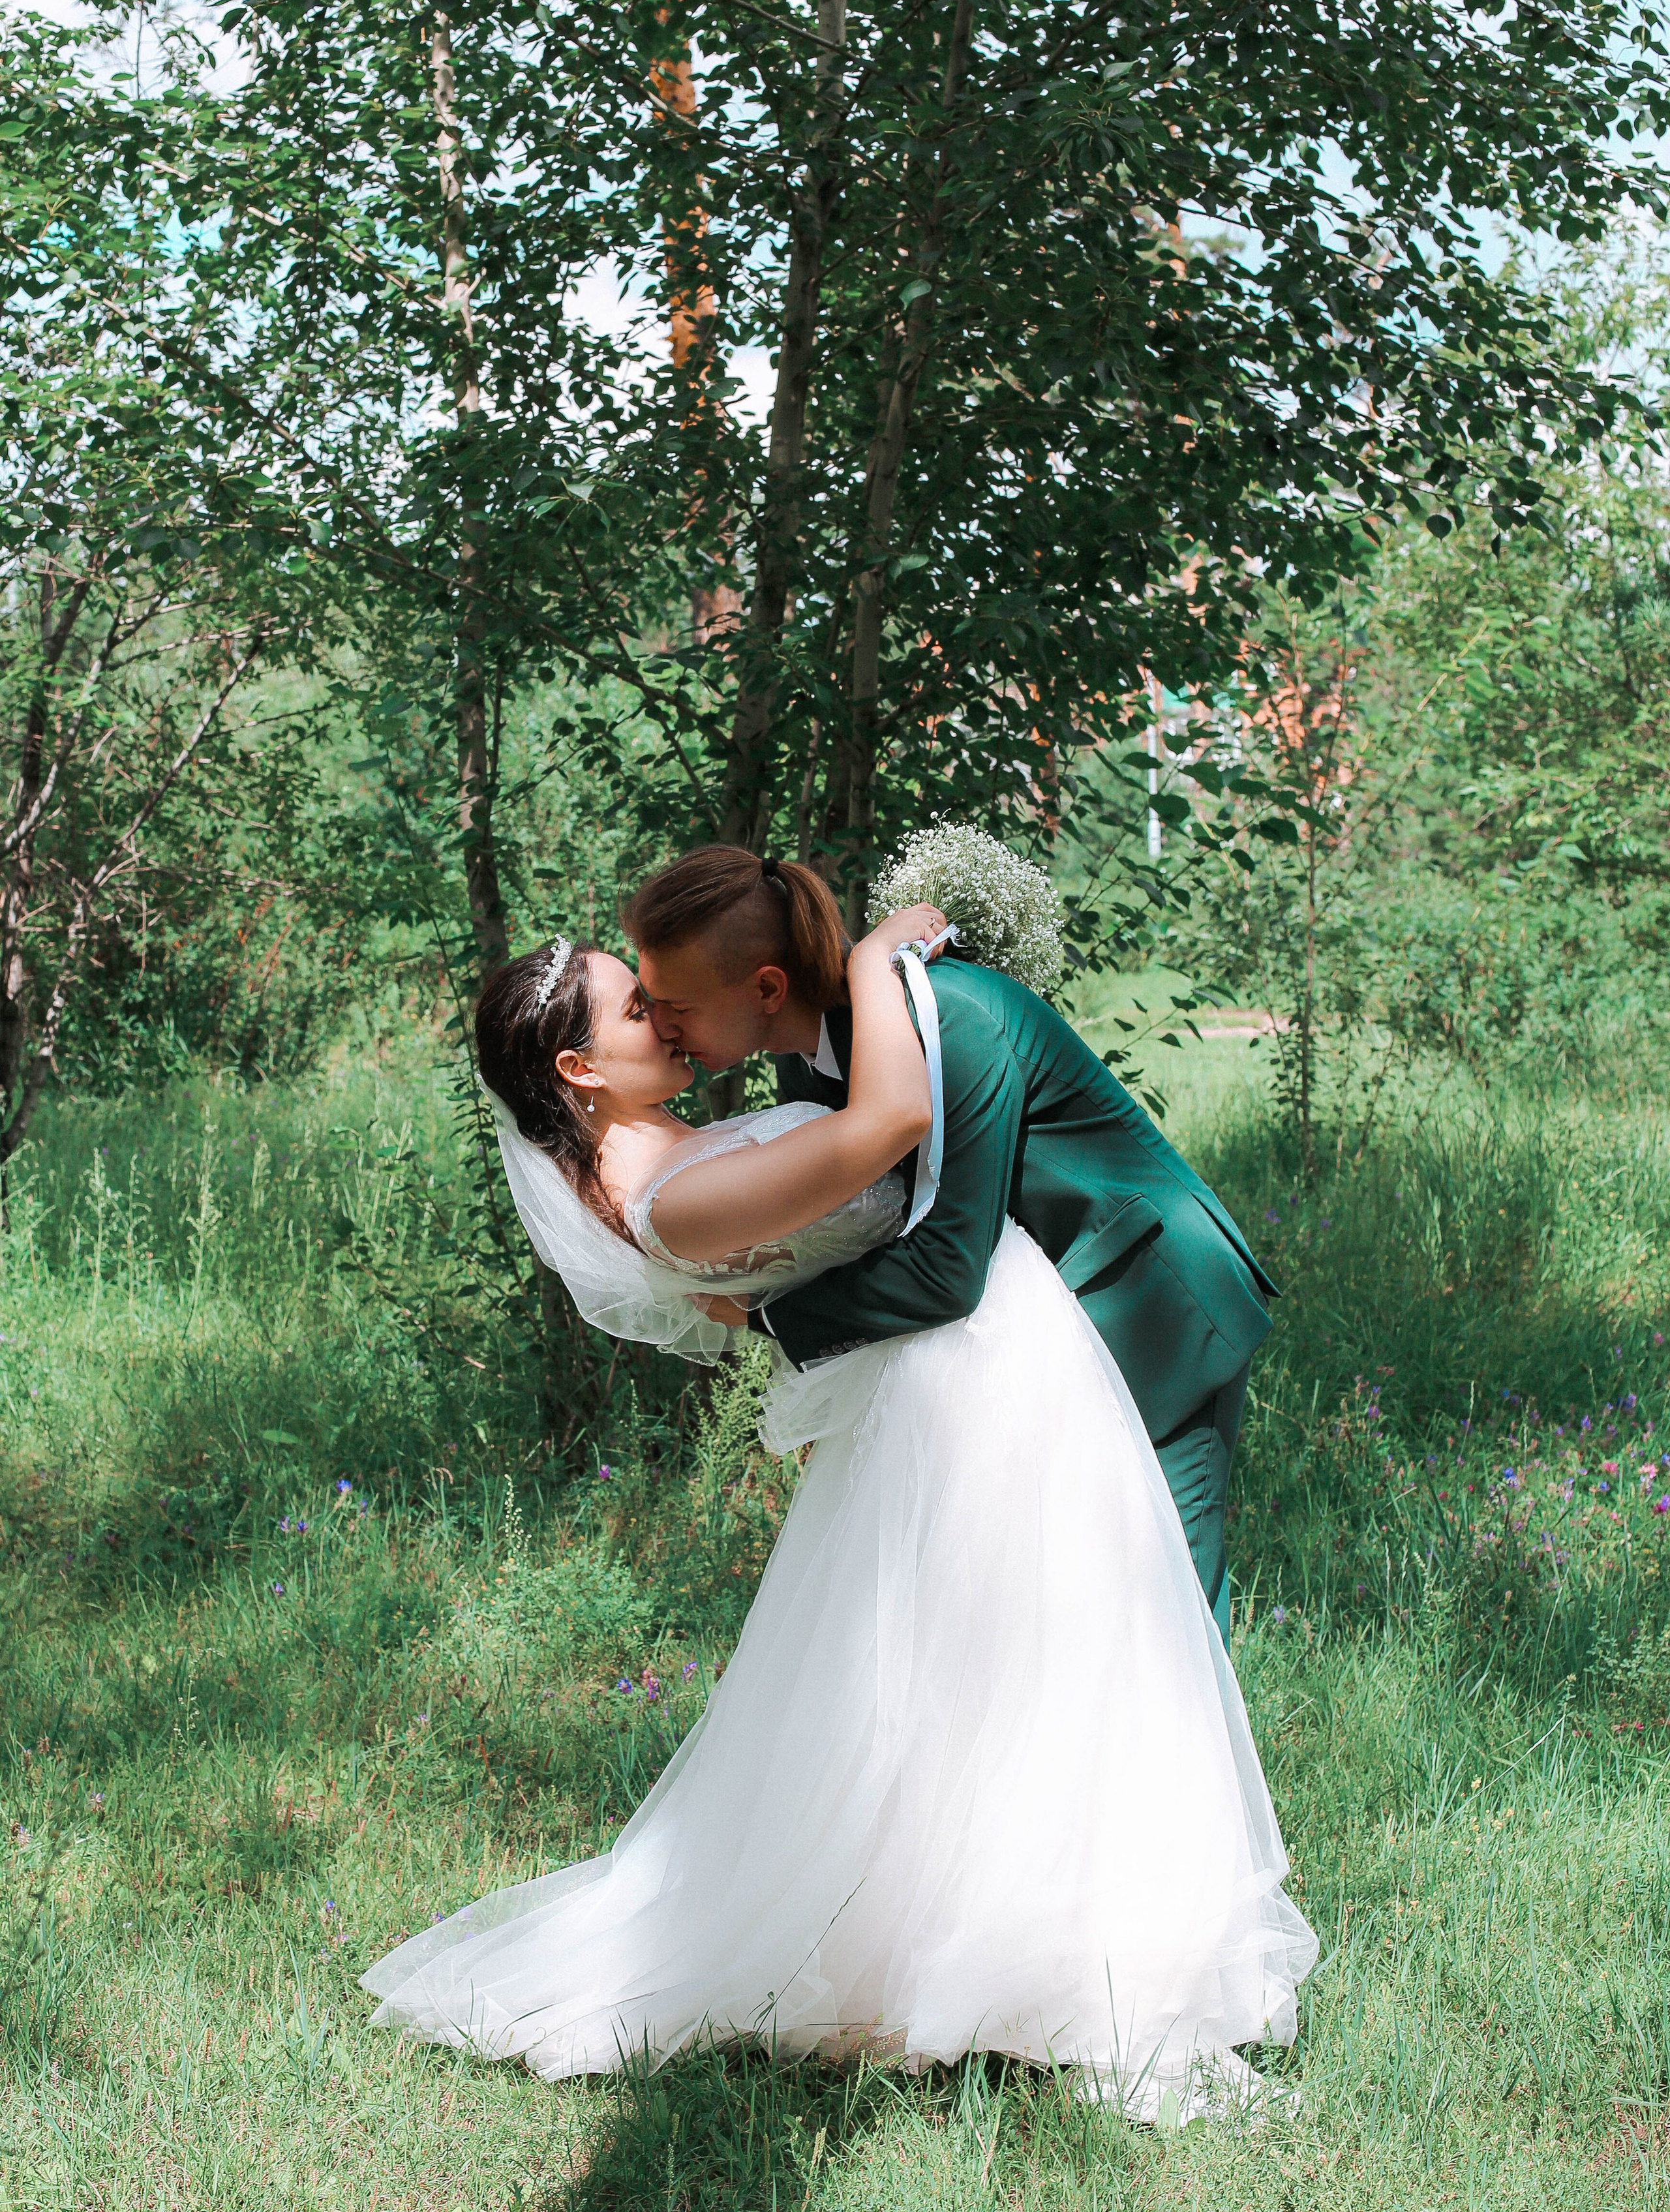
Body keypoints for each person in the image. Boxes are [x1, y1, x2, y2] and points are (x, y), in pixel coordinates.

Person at [361, 890, 1315, 2115]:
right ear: (581, 1070)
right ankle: (1079, 1954)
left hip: (990, 1368)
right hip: (974, 1370)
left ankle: (1085, 1931)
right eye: (637, 1007)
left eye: (663, 995)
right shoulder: (667, 1190)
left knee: (1048, 1667)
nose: (662, 1016)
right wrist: (873, 960)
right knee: (1076, 1658)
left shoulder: (670, 1145)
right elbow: (893, 1127)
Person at [628, 848, 1275, 1644]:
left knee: (1161, 1602)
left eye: (675, 1006)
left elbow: (945, 1269)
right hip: (1039, 1331)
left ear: (766, 988)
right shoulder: (809, 1066)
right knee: (1057, 1602)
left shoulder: (950, 1021)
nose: (660, 1027)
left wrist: (766, 1314)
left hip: (1150, 1301)